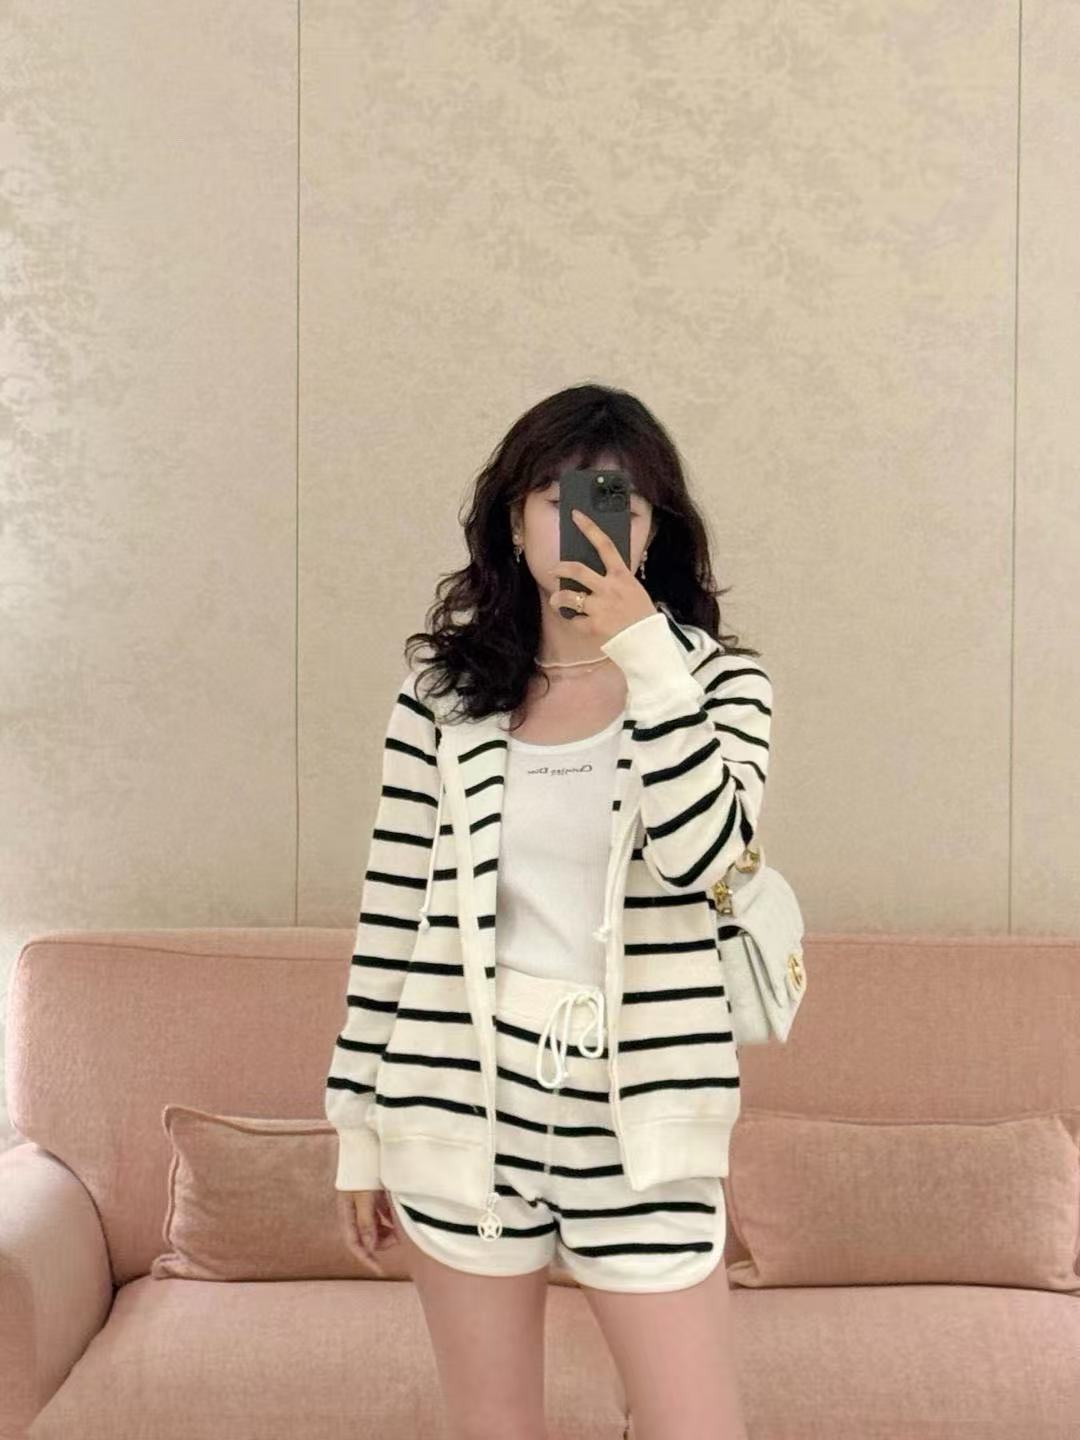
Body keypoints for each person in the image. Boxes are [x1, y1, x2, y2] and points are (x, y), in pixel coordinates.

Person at [327, 382, 768, 1439]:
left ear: (655, 532)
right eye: (558, 497)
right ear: (514, 521)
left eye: (622, 502)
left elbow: (706, 862)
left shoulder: (722, 686)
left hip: (640, 1113)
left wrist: (648, 656)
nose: (589, 524)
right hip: (456, 1100)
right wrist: (356, 1130)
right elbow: (391, 912)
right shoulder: (442, 697)